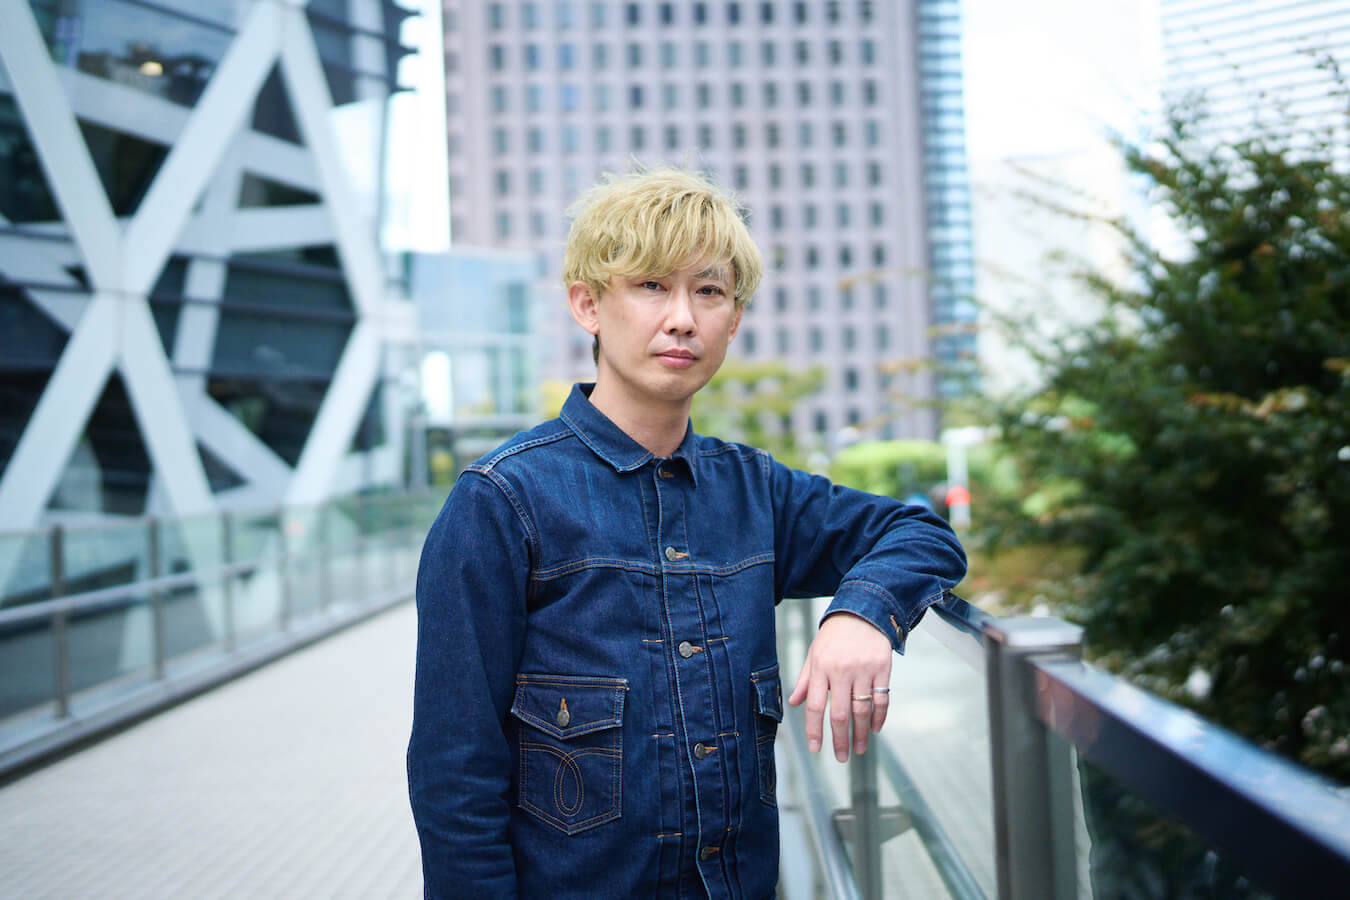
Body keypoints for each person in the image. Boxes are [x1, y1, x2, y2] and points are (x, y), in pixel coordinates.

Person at [407, 168, 967, 899]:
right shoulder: (502, 501)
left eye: (708, 292)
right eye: (650, 286)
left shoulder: (755, 491)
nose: (682, 319)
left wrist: (861, 613)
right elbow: (455, 772)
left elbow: (922, 533)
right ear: (588, 305)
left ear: (734, 320)